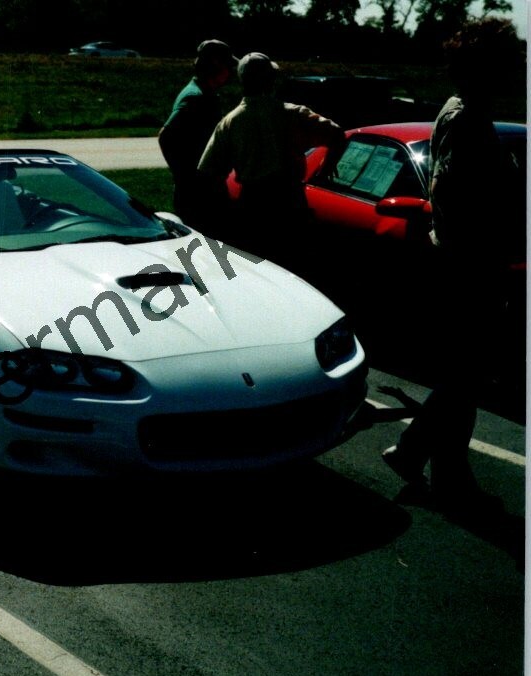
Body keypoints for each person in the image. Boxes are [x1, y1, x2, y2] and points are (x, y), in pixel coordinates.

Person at [380, 18, 523, 515]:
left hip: (470, 262)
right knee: (466, 377)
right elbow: (452, 194)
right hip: (469, 267)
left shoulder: (470, 114)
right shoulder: (465, 120)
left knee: (464, 377)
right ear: (486, 68)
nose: (520, 68)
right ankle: (436, 467)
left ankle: (429, 461)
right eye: (512, 60)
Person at [196, 52, 345, 262]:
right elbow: (337, 135)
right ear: (270, 80)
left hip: (253, 204)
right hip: (289, 202)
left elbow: (208, 170)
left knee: (258, 267)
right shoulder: (293, 114)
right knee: (293, 265)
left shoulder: (230, 122)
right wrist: (325, 169)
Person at [158, 39, 238, 230]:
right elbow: (166, 136)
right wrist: (186, 178)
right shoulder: (196, 98)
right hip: (200, 194)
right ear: (216, 65)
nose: (230, 72)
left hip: (205, 188)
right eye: (227, 65)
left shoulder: (204, 93)